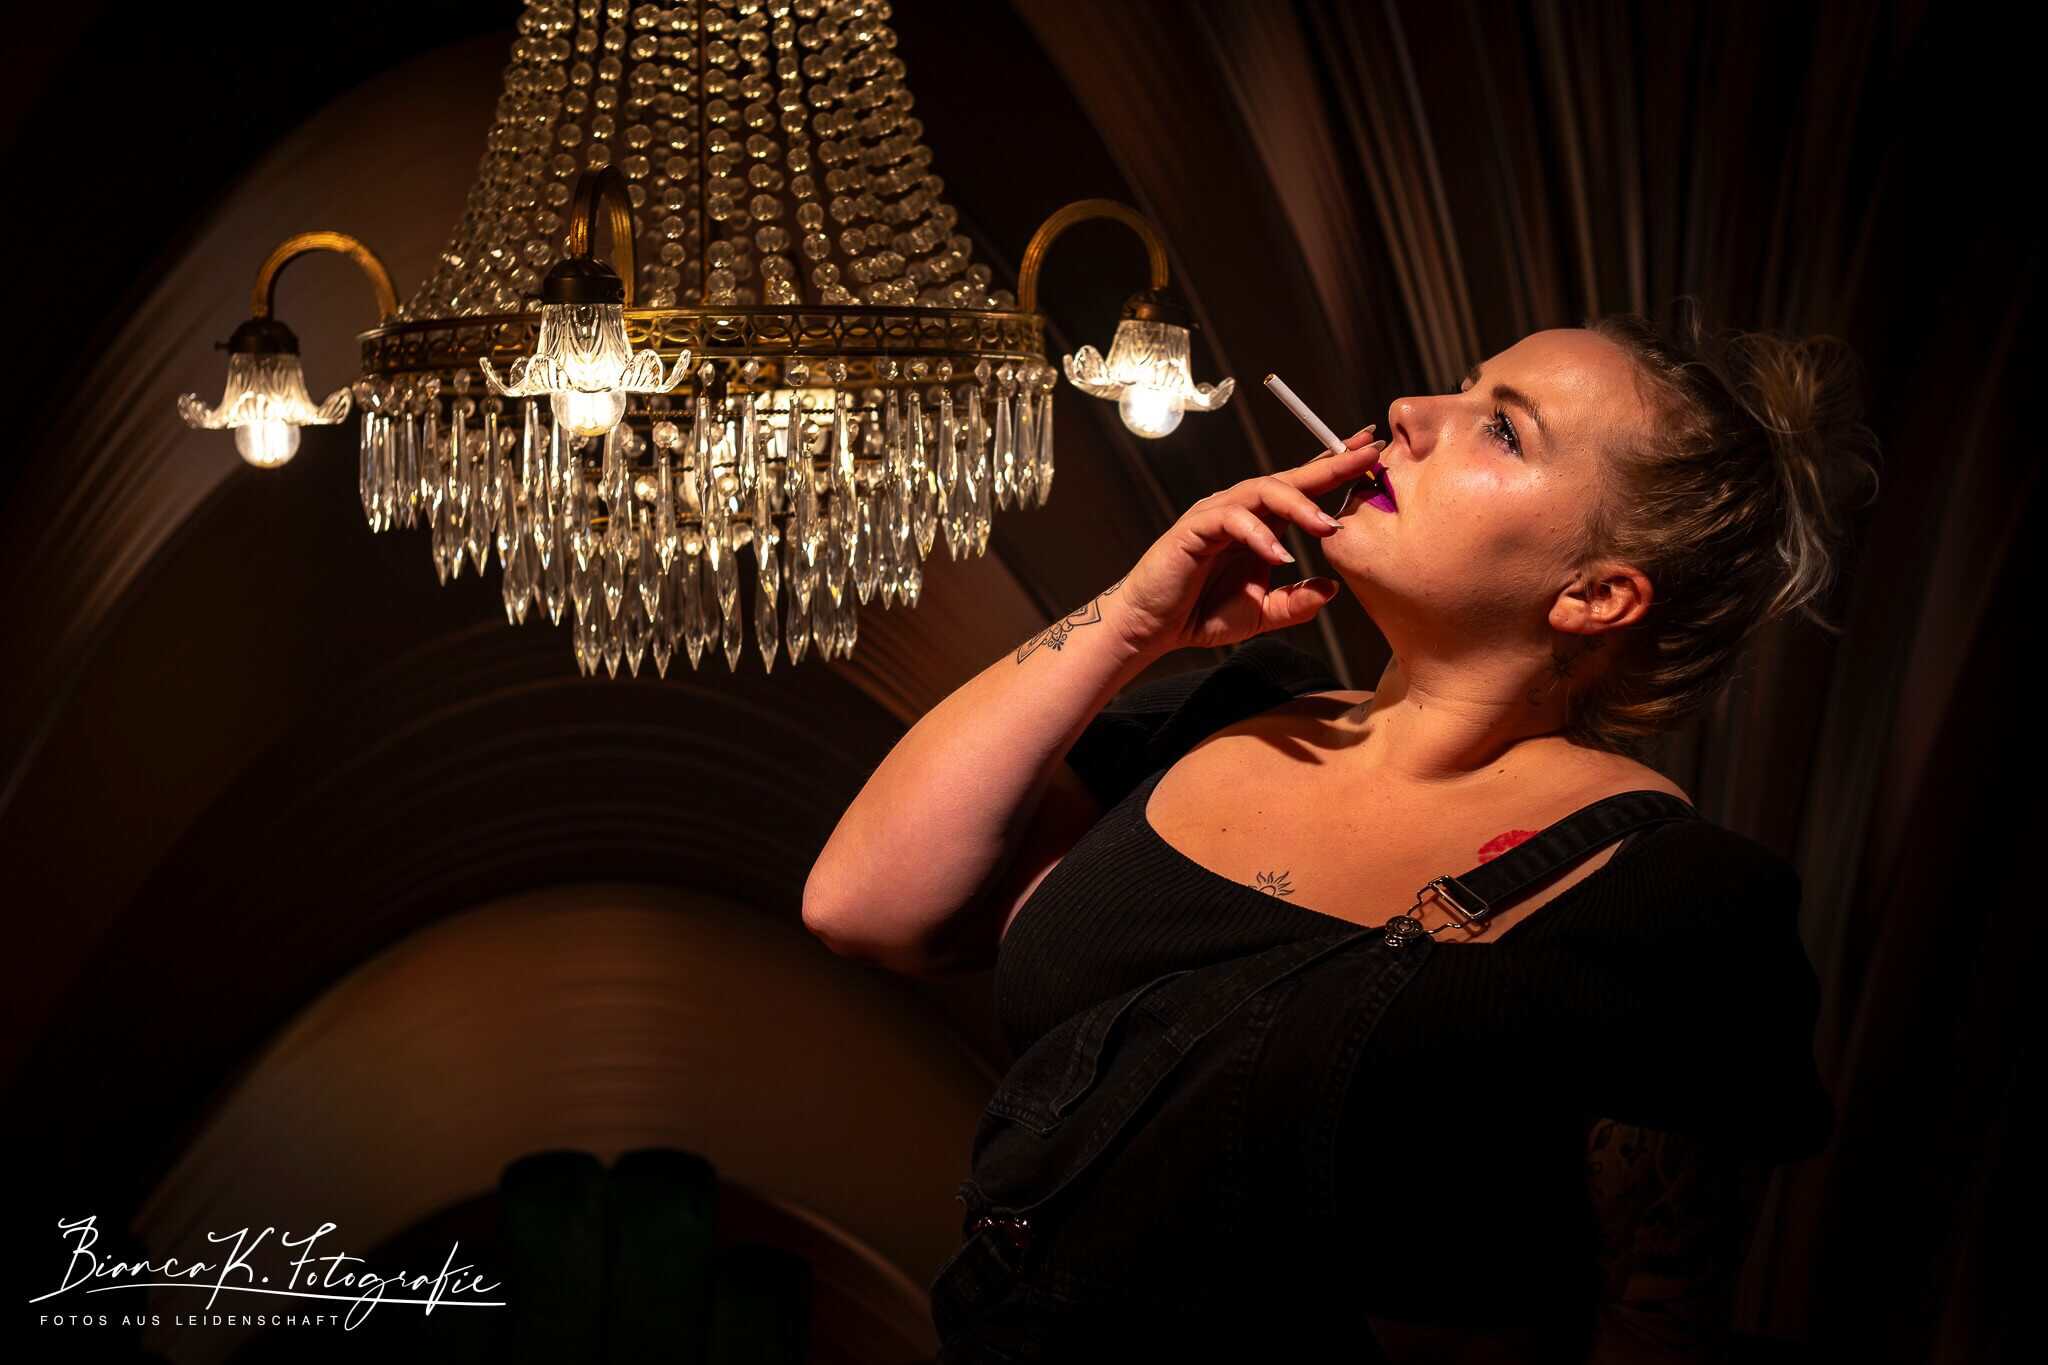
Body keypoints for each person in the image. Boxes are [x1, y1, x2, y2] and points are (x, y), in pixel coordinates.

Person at [804, 298, 1881, 1362]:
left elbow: (1652, 1323)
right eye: (1458, 386)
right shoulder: (1218, 711)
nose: (1409, 410)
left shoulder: (1669, 896)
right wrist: (1136, 622)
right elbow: (863, 907)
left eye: (1501, 428)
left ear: (1594, 597)